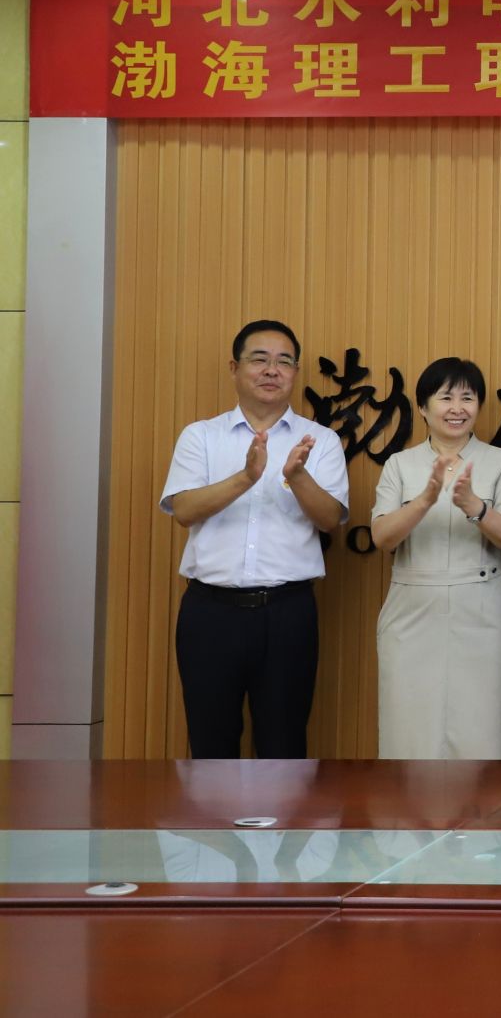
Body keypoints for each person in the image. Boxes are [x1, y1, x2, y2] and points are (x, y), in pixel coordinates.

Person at [159, 320, 348, 758]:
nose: (271, 370)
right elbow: (183, 510)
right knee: (210, 742)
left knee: (283, 745)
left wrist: (297, 476)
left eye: (284, 362)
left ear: (295, 372)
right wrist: (247, 477)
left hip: (287, 612)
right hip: (210, 612)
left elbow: (329, 519)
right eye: (259, 359)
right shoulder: (201, 436)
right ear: (235, 368)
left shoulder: (319, 441)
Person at [370, 356, 501, 759]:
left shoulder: (500, 462)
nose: (457, 408)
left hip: (483, 608)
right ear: (423, 407)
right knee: (410, 730)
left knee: (486, 730)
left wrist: (475, 506)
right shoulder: (399, 464)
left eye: (467, 398)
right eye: (445, 398)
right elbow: (382, 537)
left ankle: (489, 804)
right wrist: (424, 501)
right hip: (412, 609)